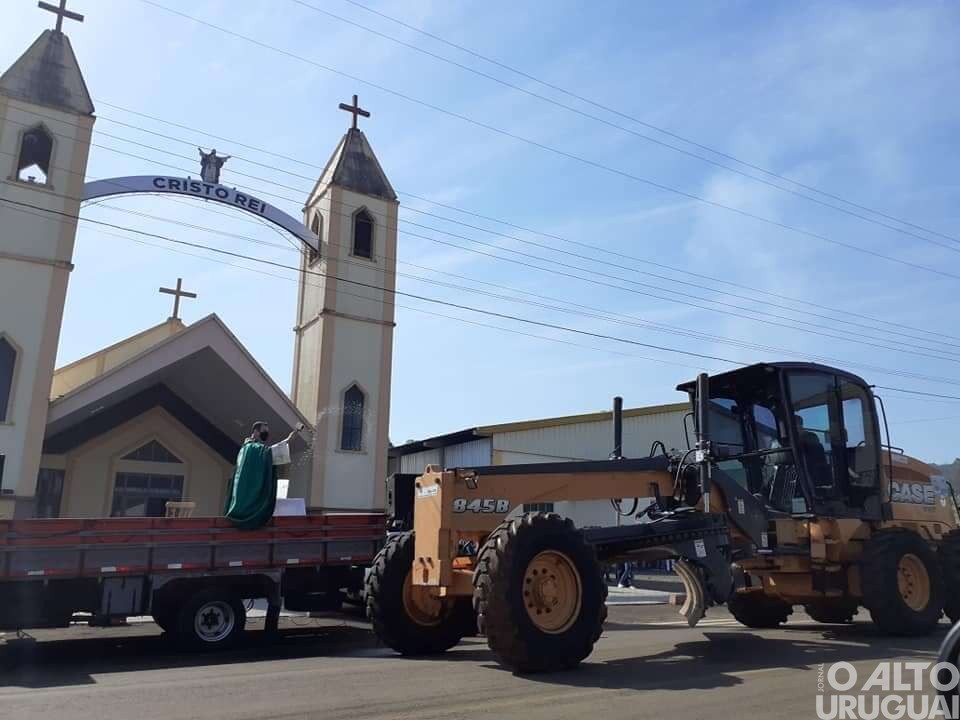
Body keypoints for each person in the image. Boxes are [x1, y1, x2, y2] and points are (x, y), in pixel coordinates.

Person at [224, 421, 299, 529]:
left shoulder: (247, 447)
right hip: (246, 491)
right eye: (264, 431)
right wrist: (287, 441)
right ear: (255, 431)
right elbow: (269, 454)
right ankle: (247, 515)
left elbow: (267, 454)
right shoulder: (251, 448)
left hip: (244, 488)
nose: (266, 433)